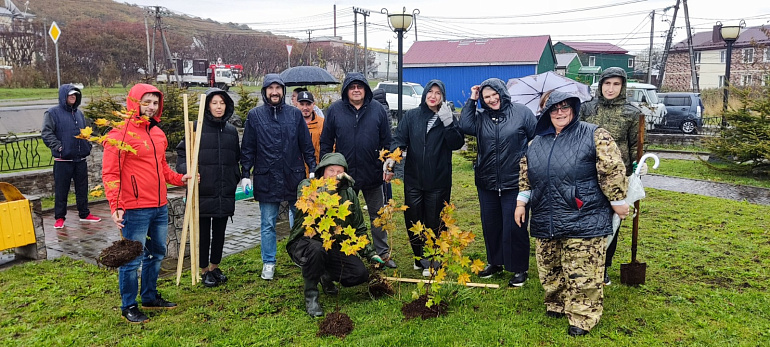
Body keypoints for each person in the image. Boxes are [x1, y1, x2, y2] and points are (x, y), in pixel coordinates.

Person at [515, 91, 629, 336]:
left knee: (582, 270)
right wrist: (521, 203)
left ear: (573, 108)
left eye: (565, 106)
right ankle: (556, 302)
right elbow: (526, 175)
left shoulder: (594, 134)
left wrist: (618, 199)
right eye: (553, 108)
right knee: (550, 265)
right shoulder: (536, 142)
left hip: (583, 214)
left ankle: (582, 315)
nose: (559, 112)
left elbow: (612, 169)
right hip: (547, 214)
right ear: (544, 112)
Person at [102, 83, 195, 323]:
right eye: (147, 102)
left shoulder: (157, 133)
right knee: (132, 259)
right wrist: (116, 205)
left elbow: (162, 167)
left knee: (157, 252)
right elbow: (110, 174)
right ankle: (128, 305)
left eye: (155, 103)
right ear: (135, 102)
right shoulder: (120, 134)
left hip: (159, 205)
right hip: (134, 208)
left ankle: (150, 296)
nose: (152, 107)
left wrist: (178, 179)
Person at [457, 78, 536, 287]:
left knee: (514, 225)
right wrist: (472, 100)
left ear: (502, 92)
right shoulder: (481, 117)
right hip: (487, 181)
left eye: (494, 94)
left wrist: (528, 162)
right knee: (491, 225)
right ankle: (496, 261)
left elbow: (536, 138)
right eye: (486, 97)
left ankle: (519, 267)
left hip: (514, 181)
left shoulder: (521, 113)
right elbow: (465, 125)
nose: (492, 100)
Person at [286, 153, 384, 317]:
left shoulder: (349, 194)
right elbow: (309, 200)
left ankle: (324, 275)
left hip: (332, 245)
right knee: (317, 250)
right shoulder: (308, 185)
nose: (335, 174)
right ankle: (311, 296)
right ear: (322, 171)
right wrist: (330, 189)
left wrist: (370, 253)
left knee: (360, 274)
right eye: (331, 170)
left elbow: (358, 228)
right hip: (305, 244)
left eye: (340, 171)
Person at [240, 74, 316, 281]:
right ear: (265, 91)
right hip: (267, 177)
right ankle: (269, 262)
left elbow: (306, 145)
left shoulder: (294, 115)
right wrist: (245, 174)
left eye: (278, 88)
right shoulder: (255, 116)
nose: (274, 92)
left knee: (301, 221)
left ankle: (301, 255)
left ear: (283, 91)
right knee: (267, 224)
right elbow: (247, 148)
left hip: (294, 175)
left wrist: (313, 169)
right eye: (270, 88)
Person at [320, 72, 396, 269]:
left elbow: (387, 141)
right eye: (352, 87)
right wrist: (326, 168)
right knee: (344, 216)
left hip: (372, 173)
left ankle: (383, 253)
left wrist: (387, 164)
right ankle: (347, 253)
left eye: (359, 87)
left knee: (377, 216)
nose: (356, 90)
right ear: (346, 90)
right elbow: (326, 141)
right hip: (344, 177)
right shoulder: (335, 110)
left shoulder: (377, 110)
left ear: (365, 90)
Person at [389, 80, 464, 276]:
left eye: (438, 93)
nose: (433, 96)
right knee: (413, 218)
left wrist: (448, 123)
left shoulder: (447, 118)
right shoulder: (413, 116)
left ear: (443, 96)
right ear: (424, 95)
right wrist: (392, 158)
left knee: (434, 220)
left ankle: (433, 259)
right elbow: (399, 140)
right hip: (413, 178)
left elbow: (456, 143)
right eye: (430, 92)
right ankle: (418, 256)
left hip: (438, 180)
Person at [579, 67, 642, 285]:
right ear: (600, 85)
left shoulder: (631, 113)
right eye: (607, 84)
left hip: (617, 177)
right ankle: (586, 261)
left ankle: (604, 265)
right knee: (587, 220)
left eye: (616, 84)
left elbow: (636, 144)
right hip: (587, 173)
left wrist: (638, 167)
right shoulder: (587, 109)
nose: (611, 88)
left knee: (611, 223)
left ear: (623, 86)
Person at [176, 88, 240, 287]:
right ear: (207, 105)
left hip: (224, 190)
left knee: (219, 231)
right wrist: (188, 171)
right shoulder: (195, 128)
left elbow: (235, 158)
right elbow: (182, 154)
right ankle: (203, 269)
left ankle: (214, 266)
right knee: (203, 232)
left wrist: (234, 177)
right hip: (203, 190)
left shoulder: (231, 131)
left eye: (222, 103)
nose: (218, 107)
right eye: (214, 103)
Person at [41, 84, 101, 229]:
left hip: (80, 159)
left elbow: (86, 132)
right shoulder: (52, 113)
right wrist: (59, 147)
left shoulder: (79, 114)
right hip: (63, 160)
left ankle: (84, 214)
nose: (73, 97)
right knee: (62, 190)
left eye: (75, 95)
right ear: (64, 97)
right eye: (70, 95)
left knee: (82, 188)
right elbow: (46, 133)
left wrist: (88, 145)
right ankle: (60, 217)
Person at [296, 90, 324, 174]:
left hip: (318, 170)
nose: (305, 108)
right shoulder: (291, 124)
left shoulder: (322, 123)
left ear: (313, 105)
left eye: (308, 104)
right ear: (296, 104)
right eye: (302, 104)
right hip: (297, 171)